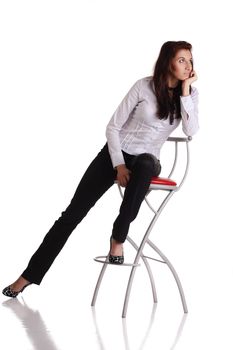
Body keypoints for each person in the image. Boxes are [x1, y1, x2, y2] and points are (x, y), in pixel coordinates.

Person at [2, 40, 199, 298]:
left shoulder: (190, 95)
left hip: (147, 160)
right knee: (71, 215)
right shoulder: (143, 86)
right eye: (181, 60)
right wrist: (118, 164)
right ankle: (27, 277)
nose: (188, 66)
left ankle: (118, 238)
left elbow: (191, 130)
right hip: (115, 155)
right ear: (167, 62)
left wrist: (185, 91)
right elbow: (113, 127)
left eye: (190, 61)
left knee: (146, 164)